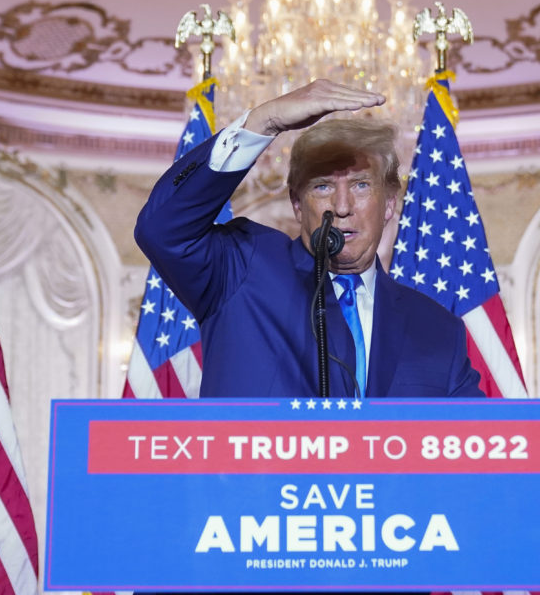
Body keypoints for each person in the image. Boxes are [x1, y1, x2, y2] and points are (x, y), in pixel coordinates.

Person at [135, 79, 483, 401]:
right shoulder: (242, 267)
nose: (342, 206)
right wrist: (264, 121)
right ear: (297, 204)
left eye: (362, 185)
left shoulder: (437, 328)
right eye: (323, 187)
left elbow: (478, 447)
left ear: (390, 203)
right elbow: (162, 229)